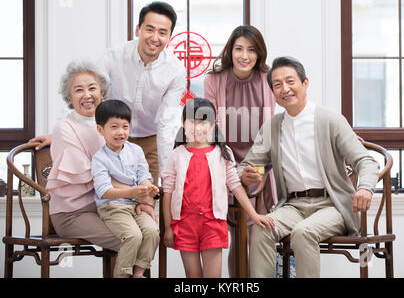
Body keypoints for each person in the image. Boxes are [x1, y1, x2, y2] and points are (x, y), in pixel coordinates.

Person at [238, 56, 379, 278]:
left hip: (333, 205)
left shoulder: (330, 119)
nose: (285, 89)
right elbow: (250, 165)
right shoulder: (272, 127)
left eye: (290, 81)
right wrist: (246, 174)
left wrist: (365, 188)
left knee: (303, 233)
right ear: (273, 94)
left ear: (305, 83)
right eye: (277, 85)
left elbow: (366, 161)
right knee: (261, 228)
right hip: (293, 206)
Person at [31, 1, 187, 187]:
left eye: (162, 33)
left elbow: (167, 122)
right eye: (149, 29)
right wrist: (59, 133)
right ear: (138, 30)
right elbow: (88, 95)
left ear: (169, 37)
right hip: (109, 136)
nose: (155, 37)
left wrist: (167, 176)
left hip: (150, 140)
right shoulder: (114, 56)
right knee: (110, 199)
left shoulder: (176, 70)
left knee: (145, 202)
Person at [161, 98, 274, 278]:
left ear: (214, 125)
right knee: (193, 276)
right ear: (182, 124)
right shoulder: (176, 155)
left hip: (213, 223)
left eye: (203, 122)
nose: (196, 128)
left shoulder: (222, 153)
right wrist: (168, 227)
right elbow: (167, 192)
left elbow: (236, 186)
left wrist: (254, 214)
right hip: (185, 224)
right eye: (191, 121)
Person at [203, 25, 277, 276]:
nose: (244, 56)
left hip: (260, 162)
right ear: (230, 51)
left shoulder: (267, 79)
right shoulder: (214, 79)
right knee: (235, 233)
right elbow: (211, 129)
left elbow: (272, 129)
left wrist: (261, 167)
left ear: (259, 54)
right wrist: (231, 168)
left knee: (257, 231)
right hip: (225, 162)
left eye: (251, 50)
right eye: (239, 49)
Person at [44, 60, 122, 276]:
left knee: (148, 232)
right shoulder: (64, 128)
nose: (87, 95)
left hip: (105, 206)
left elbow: (125, 168)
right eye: (79, 90)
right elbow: (93, 175)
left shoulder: (110, 126)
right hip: (73, 213)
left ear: (102, 92)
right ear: (69, 97)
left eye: (92, 88)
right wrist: (131, 192)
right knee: (129, 237)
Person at [92, 99, 160, 278]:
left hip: (134, 206)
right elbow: (104, 191)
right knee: (133, 236)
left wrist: (147, 188)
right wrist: (134, 192)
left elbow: (143, 175)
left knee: (152, 231)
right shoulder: (99, 159)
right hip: (112, 208)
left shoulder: (136, 150)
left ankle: (138, 274)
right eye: (114, 126)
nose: (120, 132)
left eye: (125, 126)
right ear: (101, 130)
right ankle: (121, 275)